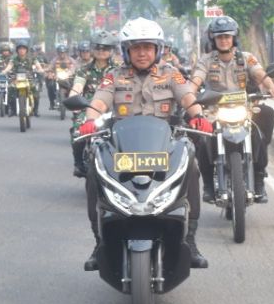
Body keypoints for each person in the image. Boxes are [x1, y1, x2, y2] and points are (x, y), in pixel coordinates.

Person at [76, 17, 212, 270]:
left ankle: (190, 241)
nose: (142, 53)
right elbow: (100, 101)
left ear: (157, 50)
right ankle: (99, 243)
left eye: (147, 47)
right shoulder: (113, 76)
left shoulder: (172, 74)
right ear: (126, 51)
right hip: (123, 147)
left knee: (191, 168)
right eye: (136, 48)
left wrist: (199, 117)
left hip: (163, 146)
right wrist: (89, 120)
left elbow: (188, 98)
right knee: (94, 172)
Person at [190, 15, 274, 203]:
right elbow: (196, 80)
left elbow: (260, 74)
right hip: (214, 110)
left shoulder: (246, 58)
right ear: (213, 39)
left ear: (234, 38)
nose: (224, 40)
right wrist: (190, 96)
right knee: (201, 138)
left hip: (243, 108)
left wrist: (271, 87)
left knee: (263, 123)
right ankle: (207, 184)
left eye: (227, 36)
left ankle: (258, 178)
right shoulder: (206, 60)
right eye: (219, 37)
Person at [68, 30, 116, 178]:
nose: (102, 51)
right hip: (88, 108)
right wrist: (73, 99)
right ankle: (79, 163)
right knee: (77, 132)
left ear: (112, 50)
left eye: (106, 48)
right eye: (98, 48)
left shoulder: (119, 70)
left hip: (114, 109)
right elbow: (77, 87)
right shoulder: (84, 70)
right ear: (92, 49)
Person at [6, 40, 36, 117]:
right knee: (10, 89)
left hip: (29, 79)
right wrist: (4, 71)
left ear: (26, 50)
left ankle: (35, 110)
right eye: (20, 49)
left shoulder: (31, 58)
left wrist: (41, 70)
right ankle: (12, 109)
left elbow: (38, 66)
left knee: (35, 90)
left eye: (23, 48)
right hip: (16, 80)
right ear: (17, 50)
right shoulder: (14, 59)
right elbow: (9, 66)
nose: (22, 50)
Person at [46, 44, 73, 110]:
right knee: (50, 86)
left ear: (66, 52)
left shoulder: (70, 60)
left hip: (68, 78)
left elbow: (75, 66)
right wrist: (49, 72)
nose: (62, 54)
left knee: (75, 86)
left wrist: (72, 72)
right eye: (60, 52)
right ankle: (52, 102)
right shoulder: (54, 60)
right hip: (57, 78)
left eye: (63, 52)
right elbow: (50, 67)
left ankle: (73, 102)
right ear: (58, 53)